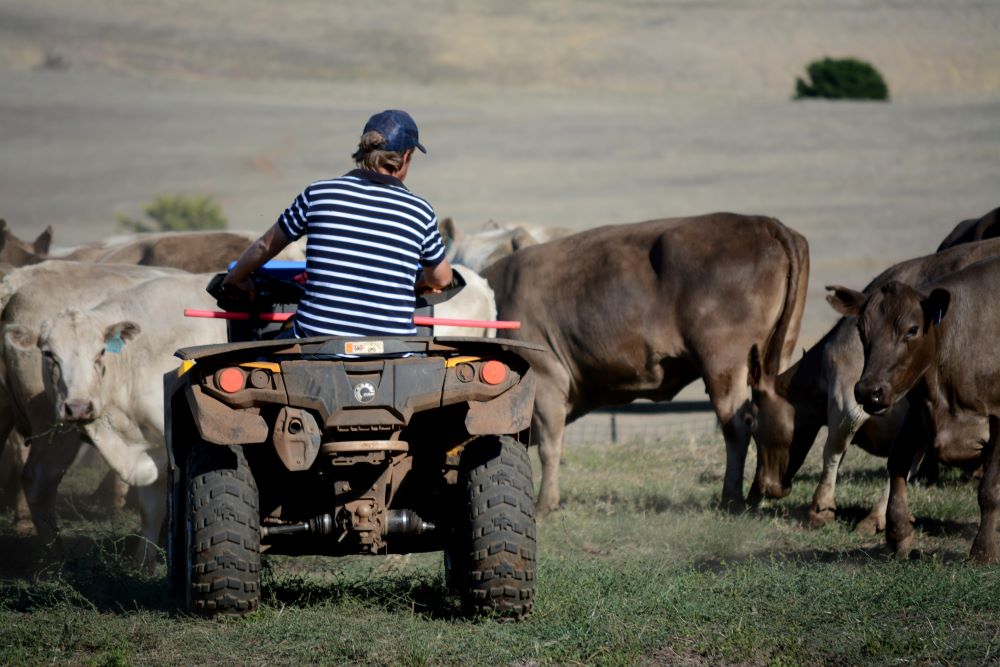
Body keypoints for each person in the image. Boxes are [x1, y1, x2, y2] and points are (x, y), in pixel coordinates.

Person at [222, 109, 453, 338]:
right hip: (395, 345)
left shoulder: (319, 193)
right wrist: (419, 282)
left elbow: (265, 246)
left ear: (364, 151)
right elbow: (442, 279)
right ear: (404, 157)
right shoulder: (420, 211)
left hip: (316, 342)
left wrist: (236, 278)